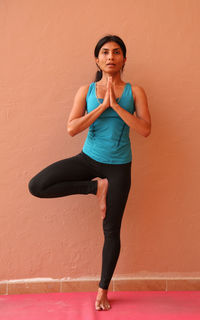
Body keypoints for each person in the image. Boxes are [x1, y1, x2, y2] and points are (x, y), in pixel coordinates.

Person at [28, 34, 151, 311]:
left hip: (119, 166)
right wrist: (102, 107)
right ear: (97, 59)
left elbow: (145, 130)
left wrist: (117, 106)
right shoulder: (86, 90)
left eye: (116, 52)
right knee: (37, 185)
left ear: (124, 59)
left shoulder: (136, 91)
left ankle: (102, 291)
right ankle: (96, 188)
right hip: (88, 159)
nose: (111, 57)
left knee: (111, 230)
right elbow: (72, 128)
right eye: (105, 52)